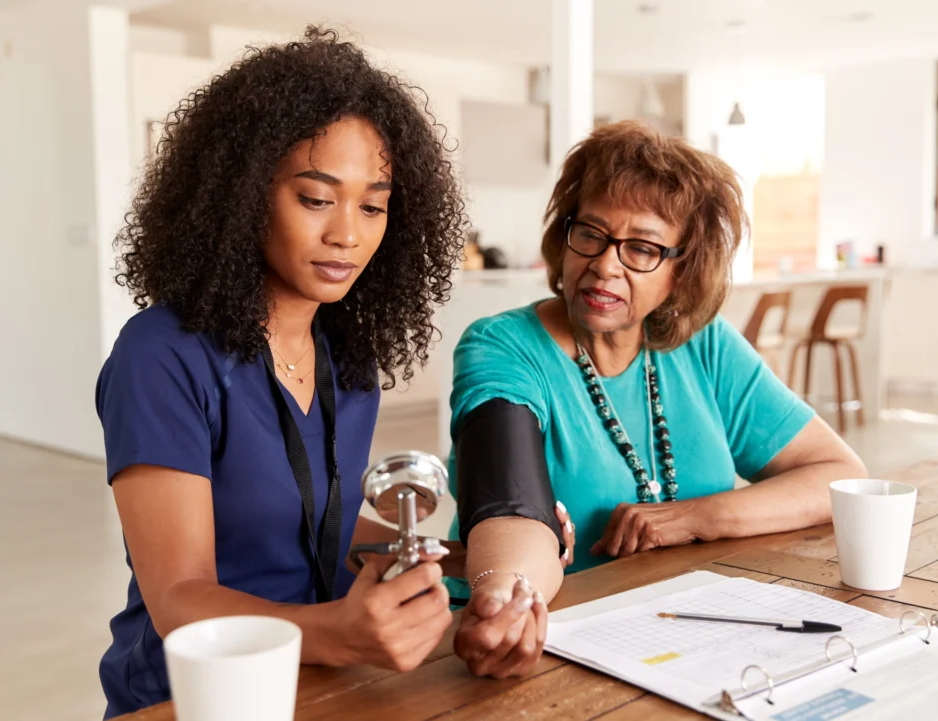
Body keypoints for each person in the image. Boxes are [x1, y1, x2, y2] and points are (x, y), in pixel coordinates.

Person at [96, 27, 477, 718]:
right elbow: (181, 595)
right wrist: (340, 631)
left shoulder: (348, 359)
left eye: (373, 205)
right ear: (240, 196)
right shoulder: (161, 355)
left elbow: (314, 523)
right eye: (315, 198)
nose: (348, 235)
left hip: (322, 687)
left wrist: (456, 554)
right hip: (190, 697)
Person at [448, 121, 867, 678]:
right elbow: (510, 504)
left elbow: (837, 475)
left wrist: (694, 517)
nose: (604, 263)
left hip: (684, 632)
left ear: (682, 270)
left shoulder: (706, 346)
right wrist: (508, 599)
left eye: (642, 248)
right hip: (550, 642)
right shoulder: (502, 346)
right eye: (591, 233)